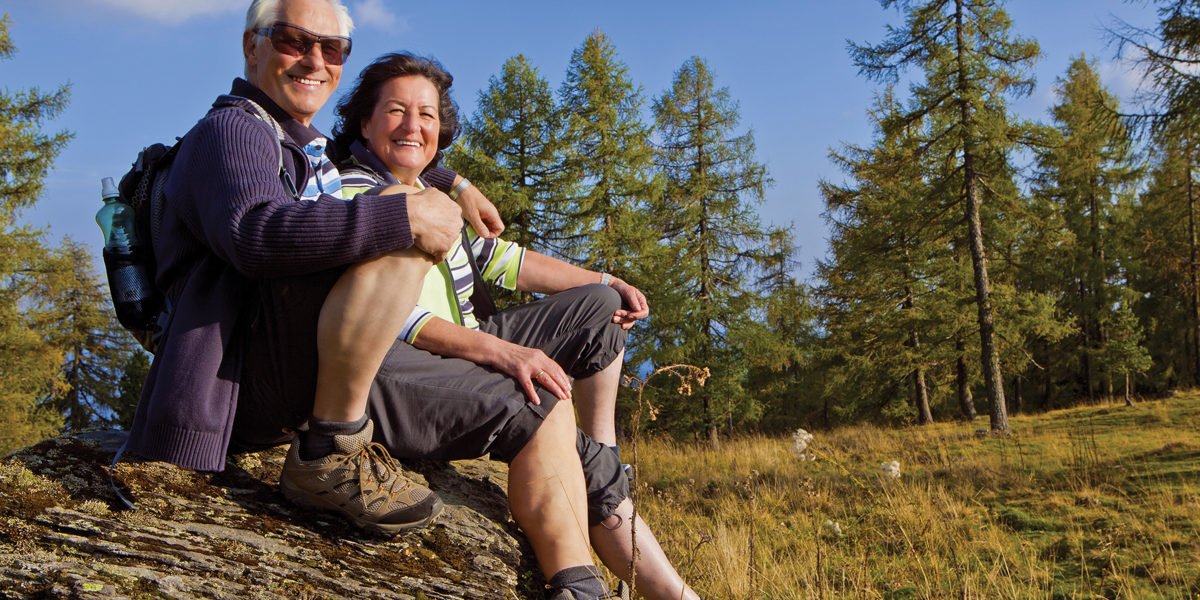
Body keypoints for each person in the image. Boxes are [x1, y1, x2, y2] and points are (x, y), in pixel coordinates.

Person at [326, 51, 702, 600]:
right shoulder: (359, 194)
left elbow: (509, 262)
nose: (413, 125)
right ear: (364, 121)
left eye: (426, 115)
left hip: (465, 344)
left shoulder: (434, 194)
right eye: (396, 111)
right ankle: (650, 588)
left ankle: (603, 449)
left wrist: (603, 277)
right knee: (542, 399)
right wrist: (499, 353)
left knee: (600, 306)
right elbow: (395, 320)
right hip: (410, 359)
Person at [124, 0, 503, 536]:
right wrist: (404, 212)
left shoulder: (299, 141)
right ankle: (328, 451)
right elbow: (252, 235)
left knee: (401, 207)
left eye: (332, 48)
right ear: (251, 47)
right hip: (229, 387)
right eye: (293, 41)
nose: (314, 60)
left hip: (269, 371)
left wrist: (454, 183)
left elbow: (383, 149)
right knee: (401, 229)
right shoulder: (234, 131)